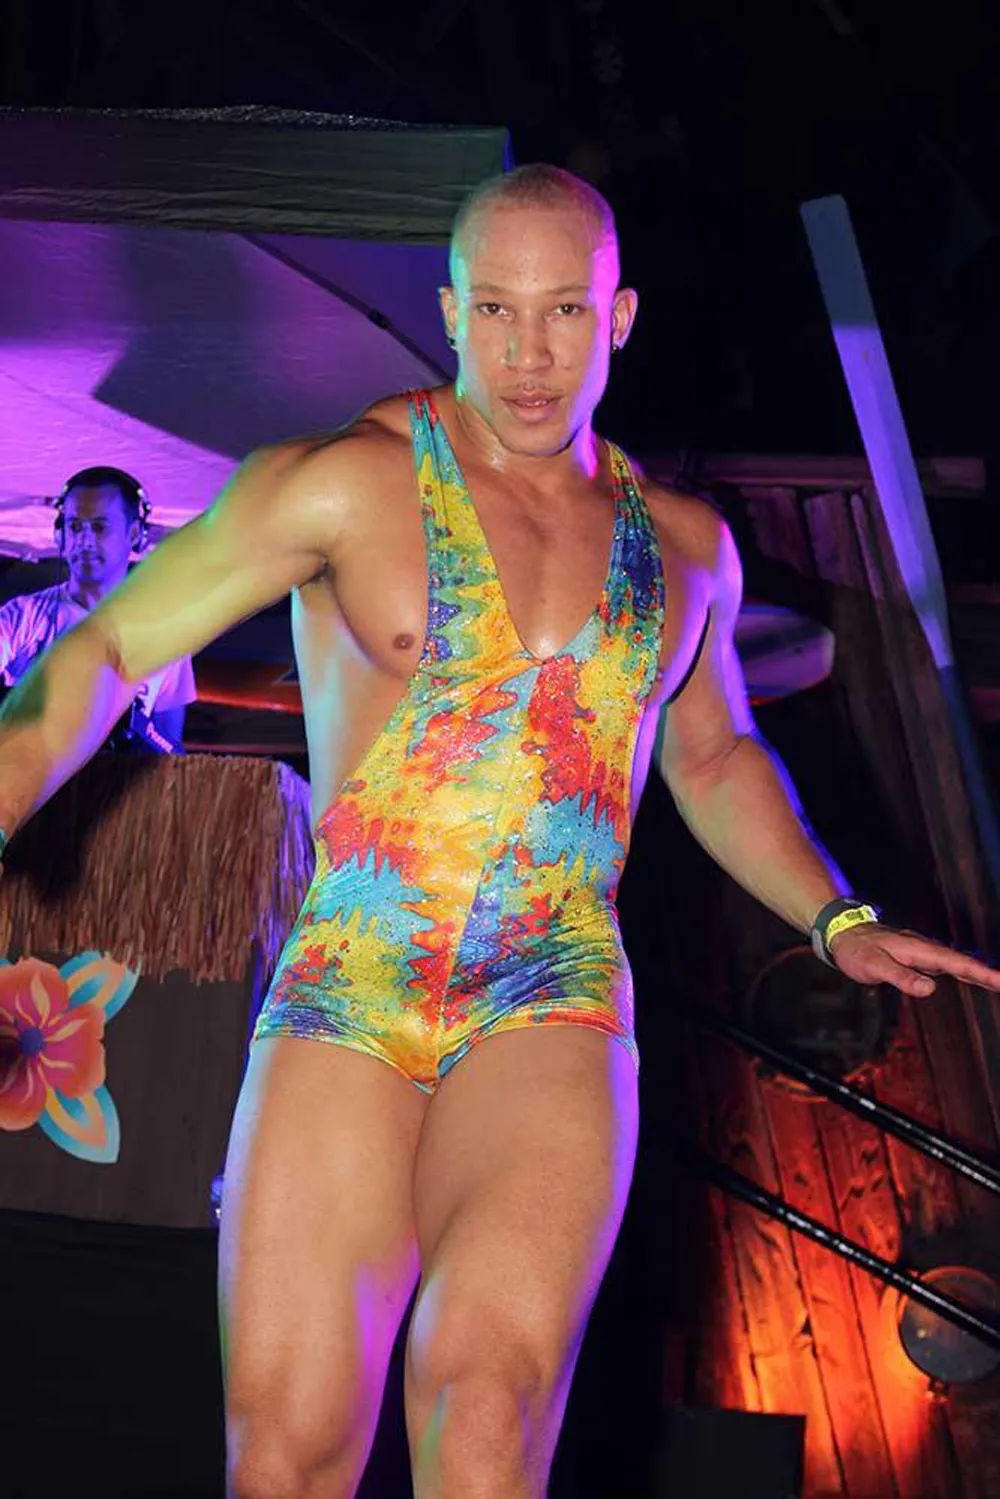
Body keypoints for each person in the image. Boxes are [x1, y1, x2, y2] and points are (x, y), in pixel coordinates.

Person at [1, 165, 998, 1499]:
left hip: (555, 990)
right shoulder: (341, 482)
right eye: (498, 312)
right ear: (450, 313)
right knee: (287, 1457)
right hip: (349, 985)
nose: (530, 354)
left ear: (618, 316)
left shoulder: (686, 547)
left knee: (485, 1419)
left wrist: (838, 914)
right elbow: (113, 641)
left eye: (565, 311)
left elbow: (714, 752)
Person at [0, 466, 196, 749]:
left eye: (99, 527)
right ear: (60, 534)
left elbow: (171, 752)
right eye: (75, 527)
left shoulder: (167, 633)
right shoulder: (21, 616)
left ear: (134, 534)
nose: (85, 541)